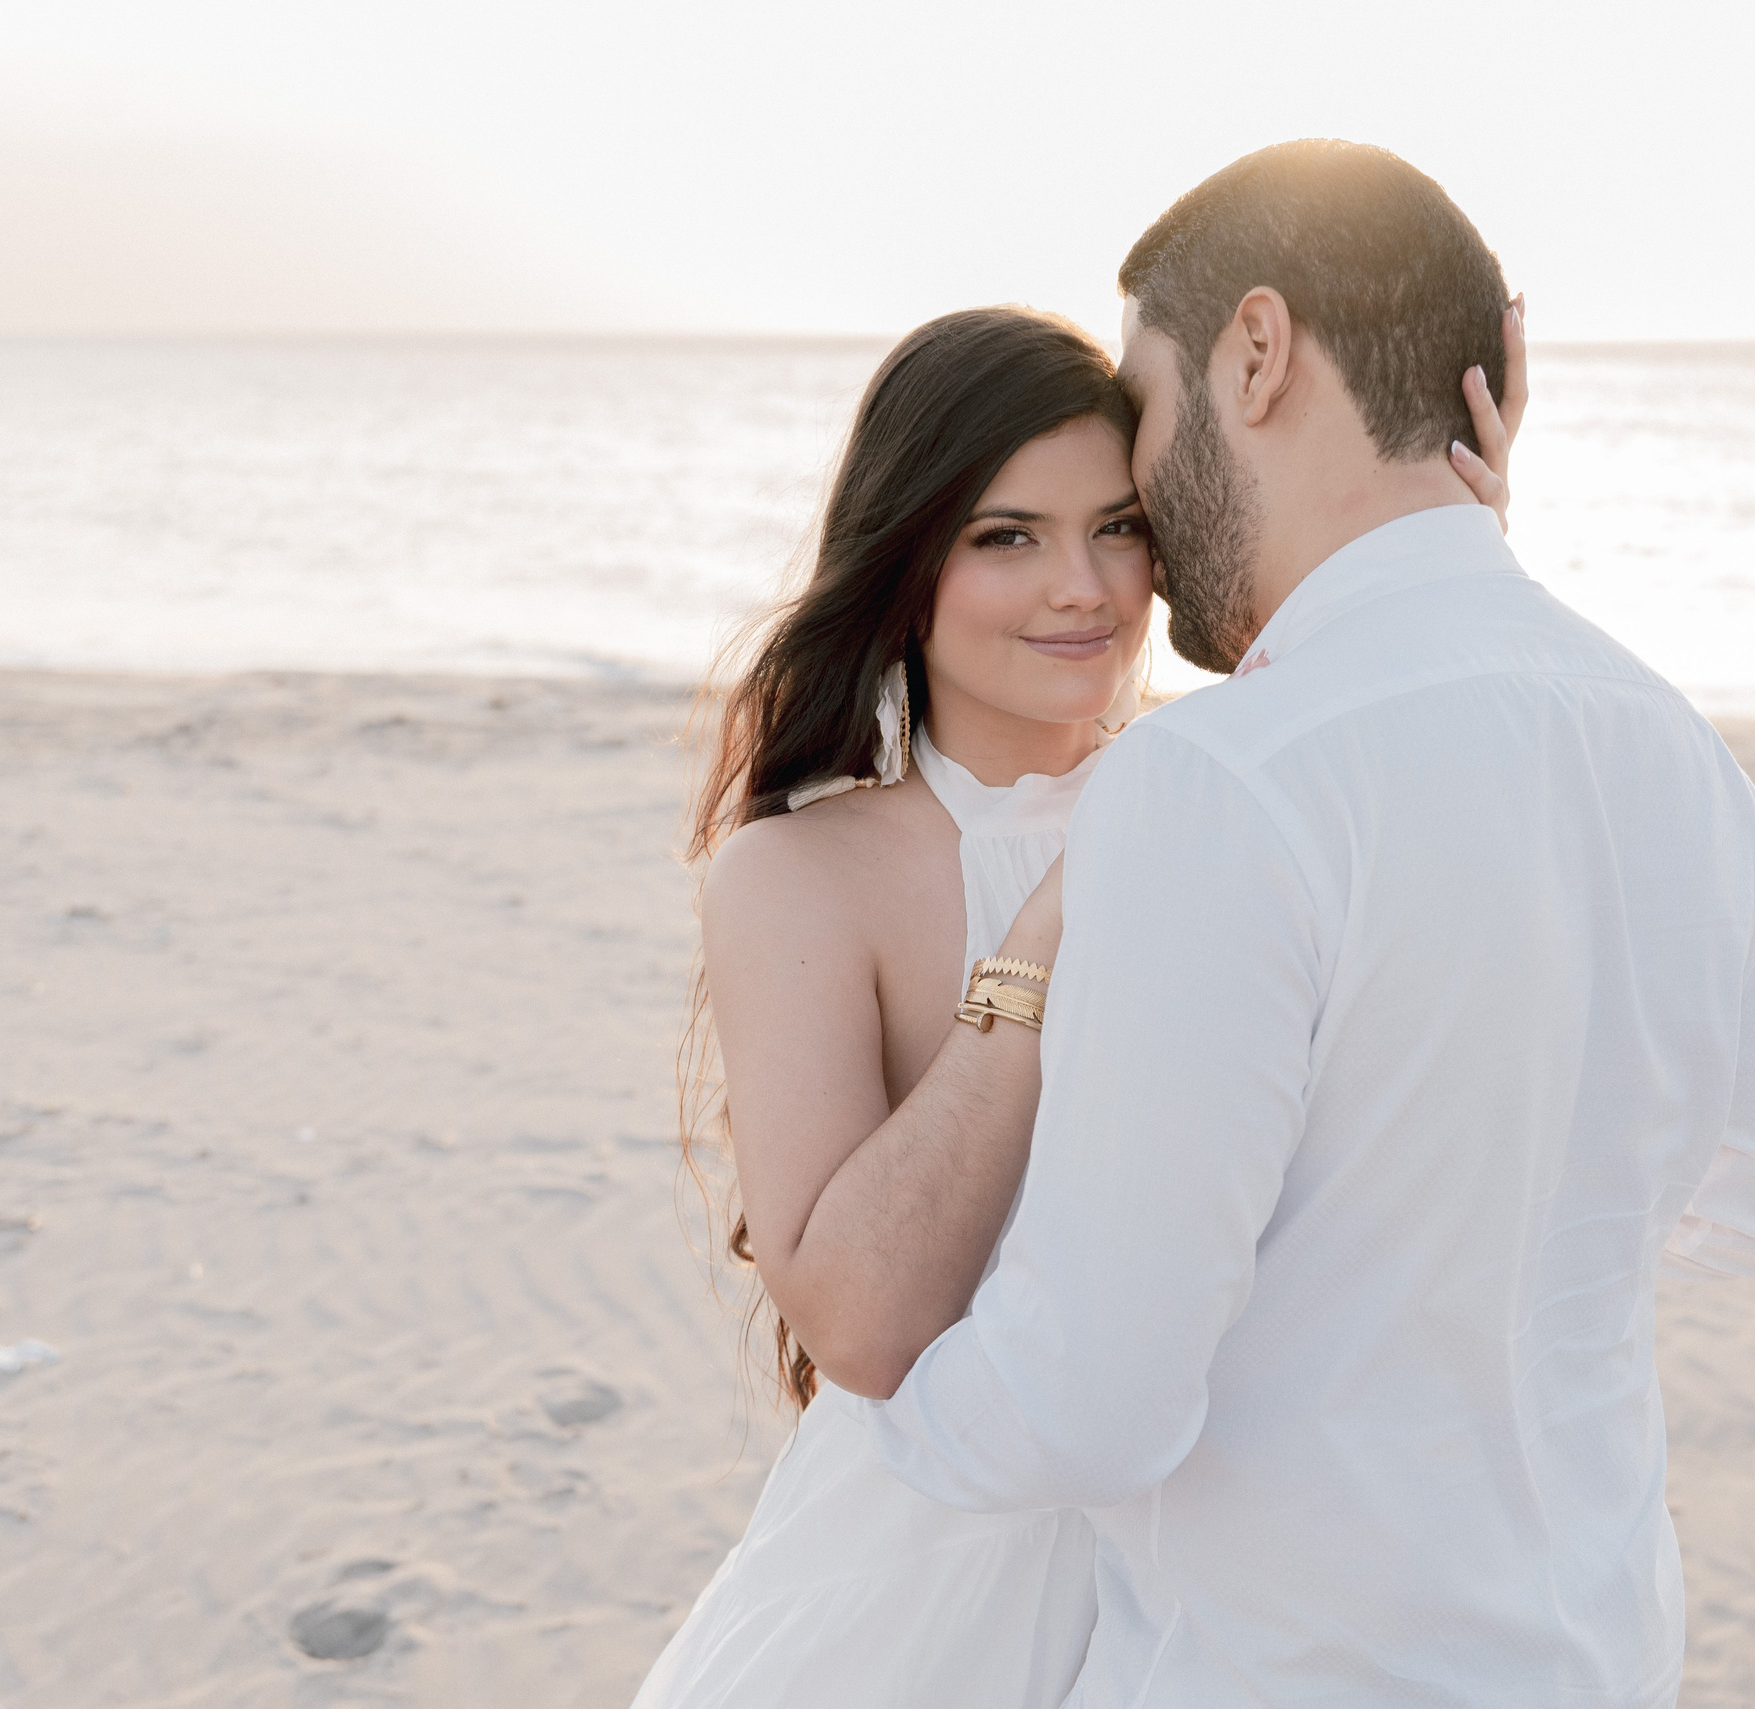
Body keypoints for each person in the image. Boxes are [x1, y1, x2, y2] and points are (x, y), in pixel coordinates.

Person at [858, 141, 1755, 1706]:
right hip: (1593, 1655)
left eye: (1149, 412)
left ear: (1257, 350)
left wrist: (883, 1425)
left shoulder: (1223, 781)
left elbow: (1094, 1397)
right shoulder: (1678, 754)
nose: (1142, 507)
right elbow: (1712, 1206)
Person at [632, 301, 1519, 1706]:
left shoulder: (1245, 790)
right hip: (926, 1586)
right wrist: (1049, 929)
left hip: (1235, 1574)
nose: (1087, 587)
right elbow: (860, 1320)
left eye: (1120, 526)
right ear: (908, 559)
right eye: (1008, 536)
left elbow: (1431, 737)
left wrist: (1461, 544)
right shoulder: (799, 875)